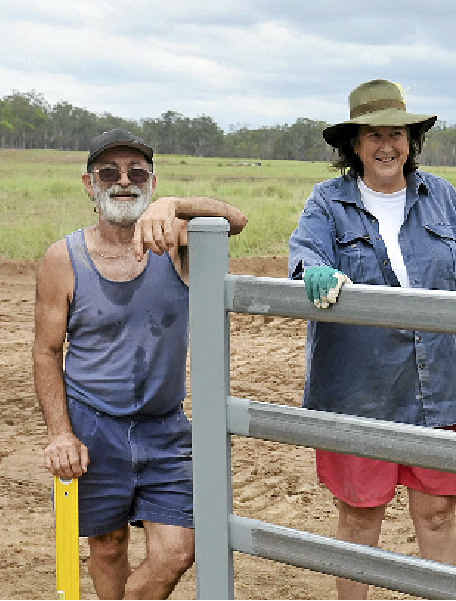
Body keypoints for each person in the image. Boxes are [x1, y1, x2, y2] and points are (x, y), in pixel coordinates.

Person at [287, 79, 456, 600]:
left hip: (440, 384)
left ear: (411, 141)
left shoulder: (443, 198)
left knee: (437, 512)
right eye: (374, 135)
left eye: (397, 134)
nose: (387, 146)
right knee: (361, 519)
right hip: (363, 392)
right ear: (354, 146)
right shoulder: (329, 202)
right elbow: (304, 254)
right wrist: (314, 272)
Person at [33, 128, 248, 599]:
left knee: (178, 549)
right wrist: (60, 433)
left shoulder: (178, 246)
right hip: (93, 424)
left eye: (137, 173)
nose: (123, 181)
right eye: (109, 172)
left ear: (151, 182)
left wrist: (173, 204)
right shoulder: (63, 259)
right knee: (108, 546)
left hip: (164, 427)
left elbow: (236, 220)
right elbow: (47, 351)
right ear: (89, 185)